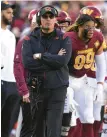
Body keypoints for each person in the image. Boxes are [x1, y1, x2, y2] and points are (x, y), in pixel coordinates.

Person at [22, 5, 71, 137]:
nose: (48, 19)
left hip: (57, 89)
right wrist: (53, 59)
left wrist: (40, 56)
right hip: (37, 89)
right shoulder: (29, 39)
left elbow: (62, 61)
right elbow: (28, 63)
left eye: (51, 17)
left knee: (54, 130)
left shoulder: (64, 38)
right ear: (39, 19)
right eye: (45, 16)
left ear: (55, 19)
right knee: (37, 129)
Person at [64, 14, 106, 137]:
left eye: (93, 27)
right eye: (87, 26)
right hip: (68, 78)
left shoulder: (97, 37)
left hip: (83, 80)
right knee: (70, 118)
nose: (91, 30)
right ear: (78, 27)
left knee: (88, 117)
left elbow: (100, 62)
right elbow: (61, 65)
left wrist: (99, 84)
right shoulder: (69, 39)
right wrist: (64, 86)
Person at [14, 9, 38, 137]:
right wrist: (24, 90)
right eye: (35, 22)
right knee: (27, 124)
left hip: (44, 89)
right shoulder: (26, 39)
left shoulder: (51, 39)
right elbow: (18, 67)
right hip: (29, 87)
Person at [1, 1, 20, 137]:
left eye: (12, 13)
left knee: (7, 123)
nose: (11, 15)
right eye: (8, 12)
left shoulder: (11, 35)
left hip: (11, 82)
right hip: (1, 80)